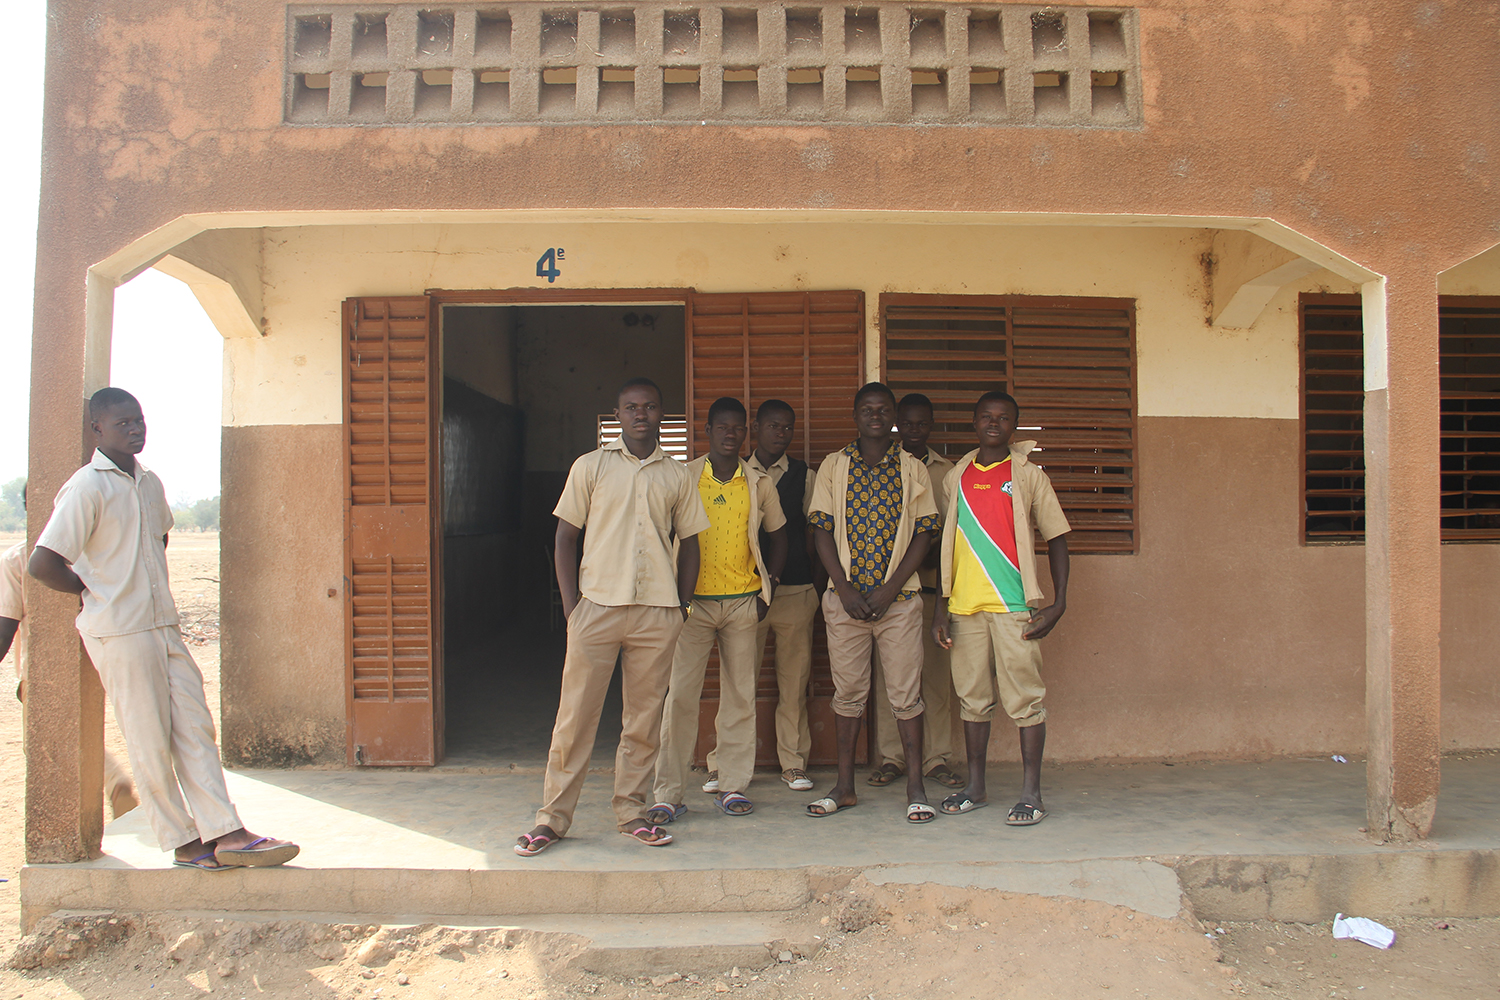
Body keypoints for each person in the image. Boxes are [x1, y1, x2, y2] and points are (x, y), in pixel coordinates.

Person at [29, 388, 298, 870]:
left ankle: (227, 832)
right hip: (120, 631)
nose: (135, 430)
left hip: (163, 625)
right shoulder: (87, 487)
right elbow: (43, 563)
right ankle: (184, 842)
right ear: (98, 430)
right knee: (148, 737)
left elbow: (161, 536)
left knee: (195, 727)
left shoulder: (149, 482)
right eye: (122, 424)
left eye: (139, 421)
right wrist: (94, 592)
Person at [516, 377, 710, 856]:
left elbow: (691, 545)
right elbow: (565, 538)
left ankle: (632, 811)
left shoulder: (678, 475)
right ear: (617, 415)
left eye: (649, 406)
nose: (640, 414)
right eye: (630, 407)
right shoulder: (590, 467)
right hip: (596, 608)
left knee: (643, 721)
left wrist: (681, 607)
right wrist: (572, 608)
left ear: (662, 414)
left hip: (657, 612)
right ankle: (552, 819)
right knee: (575, 717)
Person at [931, 391, 1071, 826]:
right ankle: (976, 786)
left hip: (1014, 607)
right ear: (974, 422)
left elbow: (1058, 537)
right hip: (965, 609)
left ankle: (1032, 794)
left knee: (1025, 700)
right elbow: (947, 545)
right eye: (986, 417)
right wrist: (941, 606)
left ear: (1015, 425)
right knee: (972, 701)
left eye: (1004, 418)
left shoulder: (1028, 475)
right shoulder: (957, 476)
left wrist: (1059, 602)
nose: (994, 424)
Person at [804, 382, 941, 823]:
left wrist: (889, 589)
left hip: (898, 602)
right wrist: (843, 587)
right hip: (845, 604)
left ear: (893, 415)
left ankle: (916, 787)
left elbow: (924, 532)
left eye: (883, 409)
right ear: (856, 415)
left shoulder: (911, 468)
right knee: (848, 696)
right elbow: (821, 528)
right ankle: (844, 787)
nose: (875, 415)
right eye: (867, 409)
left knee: (906, 695)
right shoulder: (834, 465)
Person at [650, 398, 786, 821]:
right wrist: (673, 599)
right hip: (692, 607)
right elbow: (663, 535)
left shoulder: (758, 482)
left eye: (738, 428)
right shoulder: (685, 477)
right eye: (722, 427)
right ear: (707, 431)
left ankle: (731, 785)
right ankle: (668, 792)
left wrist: (770, 587)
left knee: (740, 697)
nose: (731, 434)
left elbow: (779, 535)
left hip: (743, 603)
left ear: (745, 434)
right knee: (681, 698)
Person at [1, 485, 138, 819]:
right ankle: (113, 783)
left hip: (44, 670)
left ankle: (109, 783)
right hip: (104, 654)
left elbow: (5, 627)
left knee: (45, 743)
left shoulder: (18, 559)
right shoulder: (98, 555)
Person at [869, 393, 964, 791]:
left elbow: (953, 533)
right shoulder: (882, 467)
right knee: (892, 679)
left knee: (937, 680)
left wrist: (943, 588)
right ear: (896, 426)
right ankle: (892, 757)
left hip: (936, 589)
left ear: (931, 426)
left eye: (921, 423)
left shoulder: (949, 472)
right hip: (894, 591)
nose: (913, 430)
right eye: (905, 423)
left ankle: (936, 758)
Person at [744, 399, 820, 792]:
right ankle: (725, 765)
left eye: (788, 427)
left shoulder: (803, 475)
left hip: (794, 591)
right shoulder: (736, 471)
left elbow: (813, 533)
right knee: (740, 681)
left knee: (794, 683)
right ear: (756, 427)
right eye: (773, 426)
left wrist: (814, 585)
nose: (781, 433)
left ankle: (793, 763)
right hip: (745, 594)